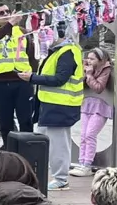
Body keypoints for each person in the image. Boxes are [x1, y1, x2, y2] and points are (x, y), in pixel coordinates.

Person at [20, 32, 81, 191]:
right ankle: (40, 174)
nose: (42, 38)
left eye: (46, 34)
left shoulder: (67, 52)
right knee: (43, 141)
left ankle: (61, 179)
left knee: (58, 144)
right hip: (49, 105)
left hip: (61, 106)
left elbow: (60, 79)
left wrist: (32, 78)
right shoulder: (55, 52)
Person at [0, 3, 35, 136]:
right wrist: (10, 23)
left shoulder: (21, 31)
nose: (6, 14)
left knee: (26, 119)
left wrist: (33, 73)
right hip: (0, 82)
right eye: (1, 13)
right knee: (5, 121)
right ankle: (8, 150)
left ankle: (27, 150)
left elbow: (32, 54)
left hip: (22, 81)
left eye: (7, 11)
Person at [75, 47, 112, 176]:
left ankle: (87, 164)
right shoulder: (87, 68)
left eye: (92, 59)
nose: (89, 61)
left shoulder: (106, 70)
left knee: (90, 134)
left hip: (101, 106)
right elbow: (79, 84)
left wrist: (90, 75)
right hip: (87, 104)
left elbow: (98, 88)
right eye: (88, 58)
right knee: (83, 134)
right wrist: (83, 72)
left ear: (101, 60)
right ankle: (81, 162)